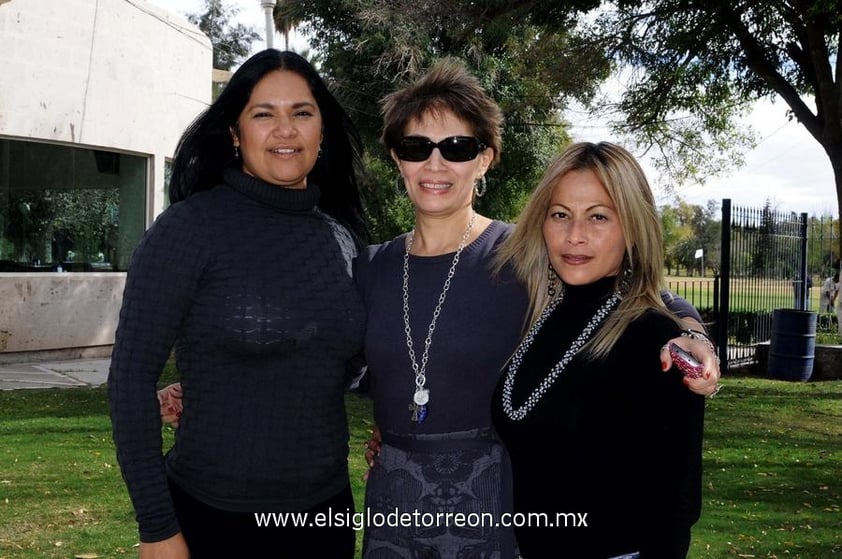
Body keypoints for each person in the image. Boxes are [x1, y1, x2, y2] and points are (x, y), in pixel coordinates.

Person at [354, 61, 717, 558]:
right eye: (417, 147)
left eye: (457, 148)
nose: (435, 165)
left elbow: (634, 293)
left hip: (496, 513)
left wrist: (695, 335)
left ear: (485, 159)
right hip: (396, 505)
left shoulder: (519, 256)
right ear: (397, 158)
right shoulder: (372, 267)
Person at [108, 49, 368, 559]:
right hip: (213, 521)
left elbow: (339, 365)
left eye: (302, 113)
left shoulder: (342, 239)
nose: (285, 130)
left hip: (326, 517)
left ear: (323, 131)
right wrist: (157, 529)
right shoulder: (188, 229)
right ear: (234, 133)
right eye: (263, 114)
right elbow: (130, 381)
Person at [491, 141, 706, 558]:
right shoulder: (541, 317)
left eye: (599, 217)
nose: (575, 236)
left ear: (633, 228)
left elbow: (676, 509)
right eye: (560, 215)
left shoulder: (655, 339)